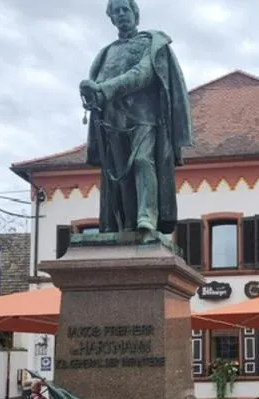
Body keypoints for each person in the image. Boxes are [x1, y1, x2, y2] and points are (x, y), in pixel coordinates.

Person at [79, 0, 192, 234]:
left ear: (136, 15)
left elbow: (142, 75)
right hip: (113, 122)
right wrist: (92, 94)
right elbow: (98, 85)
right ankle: (128, 224)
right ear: (111, 18)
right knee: (120, 175)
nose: (121, 15)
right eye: (116, 12)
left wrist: (103, 89)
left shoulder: (151, 44)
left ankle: (146, 216)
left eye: (125, 10)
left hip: (145, 117)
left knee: (142, 160)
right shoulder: (106, 53)